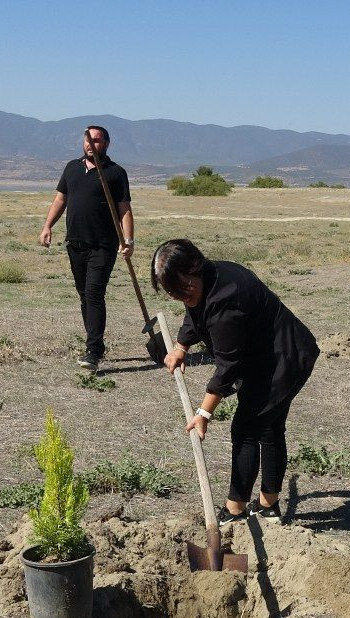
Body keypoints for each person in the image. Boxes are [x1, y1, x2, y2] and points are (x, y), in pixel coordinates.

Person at [152, 238, 319, 525]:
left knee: (246, 429)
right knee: (268, 427)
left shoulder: (226, 299)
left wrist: (203, 412)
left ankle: (235, 510)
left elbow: (228, 366)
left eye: (184, 287)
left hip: (284, 360)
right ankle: (268, 506)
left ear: (195, 268)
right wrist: (181, 346)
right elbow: (195, 311)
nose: (182, 295)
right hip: (267, 358)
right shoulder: (208, 279)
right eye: (173, 292)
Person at [39, 125, 135, 371]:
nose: (92, 143)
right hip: (75, 243)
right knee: (84, 295)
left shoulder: (115, 173)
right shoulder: (72, 167)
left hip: (103, 245)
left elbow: (124, 208)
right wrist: (48, 226)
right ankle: (94, 344)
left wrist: (128, 241)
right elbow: (61, 199)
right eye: (88, 139)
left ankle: (93, 351)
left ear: (106, 144)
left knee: (94, 294)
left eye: (97, 140)